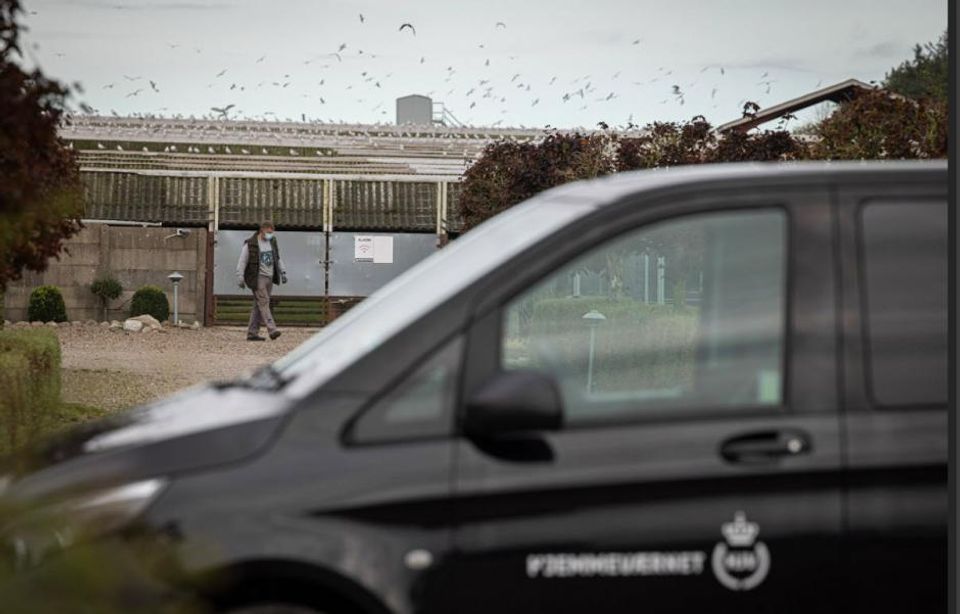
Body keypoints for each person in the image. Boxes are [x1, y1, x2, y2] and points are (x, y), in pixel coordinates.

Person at [236, 220, 287, 341]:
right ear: (262, 230)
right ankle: (272, 329)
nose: (270, 234)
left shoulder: (272, 242)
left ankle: (252, 333)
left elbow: (277, 258)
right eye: (269, 232)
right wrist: (240, 276)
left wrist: (282, 271)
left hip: (269, 277)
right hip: (257, 278)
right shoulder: (250, 244)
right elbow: (242, 261)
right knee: (264, 303)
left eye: (272, 232)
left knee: (258, 305)